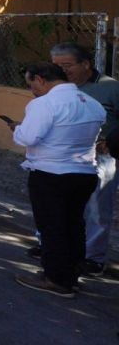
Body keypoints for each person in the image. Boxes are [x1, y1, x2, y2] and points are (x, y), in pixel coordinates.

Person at [10, 62, 104, 297]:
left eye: (31, 84)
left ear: (41, 79)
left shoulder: (44, 104)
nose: (32, 90)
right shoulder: (92, 104)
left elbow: (28, 137)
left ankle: (56, 279)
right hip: (84, 172)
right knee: (74, 225)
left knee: (52, 227)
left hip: (51, 173)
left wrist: (17, 129)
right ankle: (70, 275)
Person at [50, 42, 119, 277]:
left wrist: (110, 142)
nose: (61, 70)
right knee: (59, 203)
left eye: (67, 65)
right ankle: (57, 248)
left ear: (85, 64)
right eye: (56, 65)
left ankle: (93, 257)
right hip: (64, 153)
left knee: (97, 208)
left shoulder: (110, 88)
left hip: (100, 156)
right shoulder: (56, 87)